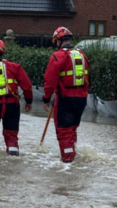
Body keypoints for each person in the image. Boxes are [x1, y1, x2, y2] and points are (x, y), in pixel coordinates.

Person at [43, 27, 90, 163]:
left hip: (65, 98)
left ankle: (68, 160)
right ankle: (72, 153)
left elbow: (50, 80)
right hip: (81, 98)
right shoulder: (82, 54)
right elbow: (88, 77)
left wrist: (46, 98)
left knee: (64, 130)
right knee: (72, 129)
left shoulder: (58, 56)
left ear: (58, 40)